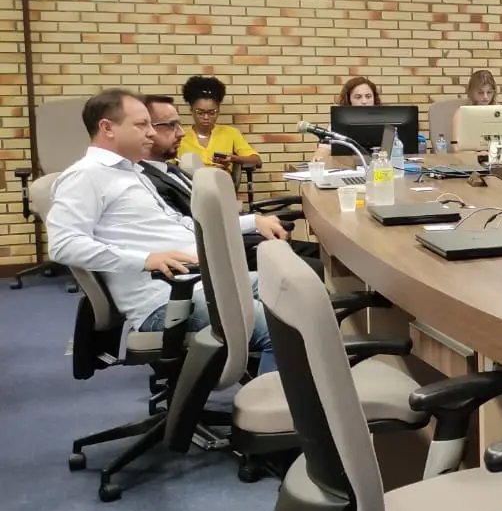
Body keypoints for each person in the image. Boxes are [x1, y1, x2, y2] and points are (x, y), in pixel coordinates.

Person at [47, 89, 281, 352]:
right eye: (141, 124)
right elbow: (63, 245)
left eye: (151, 124)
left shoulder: (132, 172)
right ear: (107, 128)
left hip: (203, 281)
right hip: (166, 299)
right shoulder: (85, 175)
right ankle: (274, 380)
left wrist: (251, 222)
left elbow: (183, 224)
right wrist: (146, 260)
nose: (151, 133)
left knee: (294, 292)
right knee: (280, 331)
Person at [140, 94, 323, 274]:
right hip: (217, 250)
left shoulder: (172, 170)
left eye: (212, 112)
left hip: (226, 220)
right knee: (318, 267)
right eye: (171, 125)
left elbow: (255, 160)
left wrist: (233, 160)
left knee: (322, 255)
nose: (181, 133)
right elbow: (195, 229)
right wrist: (252, 223)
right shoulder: (148, 182)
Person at [178, 75, 262, 170]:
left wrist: (233, 159)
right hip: (188, 179)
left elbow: (257, 161)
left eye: (212, 113)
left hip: (220, 177)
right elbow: (167, 164)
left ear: (218, 111)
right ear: (191, 110)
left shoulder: (230, 133)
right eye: (200, 112)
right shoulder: (180, 135)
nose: (206, 117)